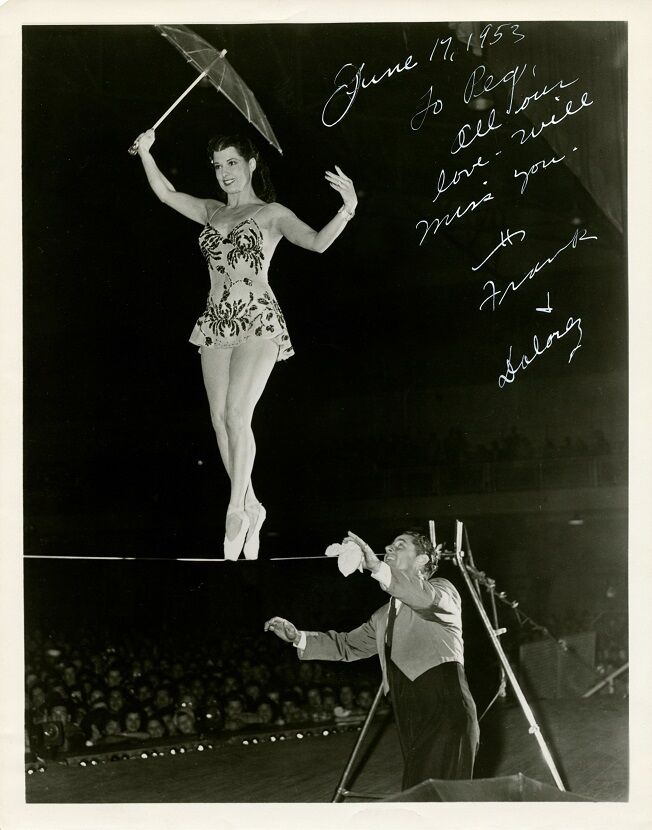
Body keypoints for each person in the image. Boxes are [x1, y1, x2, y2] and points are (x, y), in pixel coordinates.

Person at [135, 129, 357, 560]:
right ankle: (253, 505)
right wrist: (146, 152)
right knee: (221, 422)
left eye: (232, 163)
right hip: (217, 320)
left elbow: (316, 242)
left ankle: (236, 511)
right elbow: (165, 193)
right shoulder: (211, 212)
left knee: (239, 413)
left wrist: (347, 210)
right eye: (217, 166)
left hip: (257, 317)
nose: (224, 173)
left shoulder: (272, 212)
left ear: (251, 164)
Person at [265, 530, 479, 791]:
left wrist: (376, 566)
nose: (389, 547)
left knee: (435, 801)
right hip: (407, 711)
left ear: (422, 560)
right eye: (389, 544)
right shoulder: (383, 616)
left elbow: (423, 597)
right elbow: (348, 645)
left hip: (444, 706)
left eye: (399, 545)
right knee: (419, 796)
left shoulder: (443, 590)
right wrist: (297, 637)